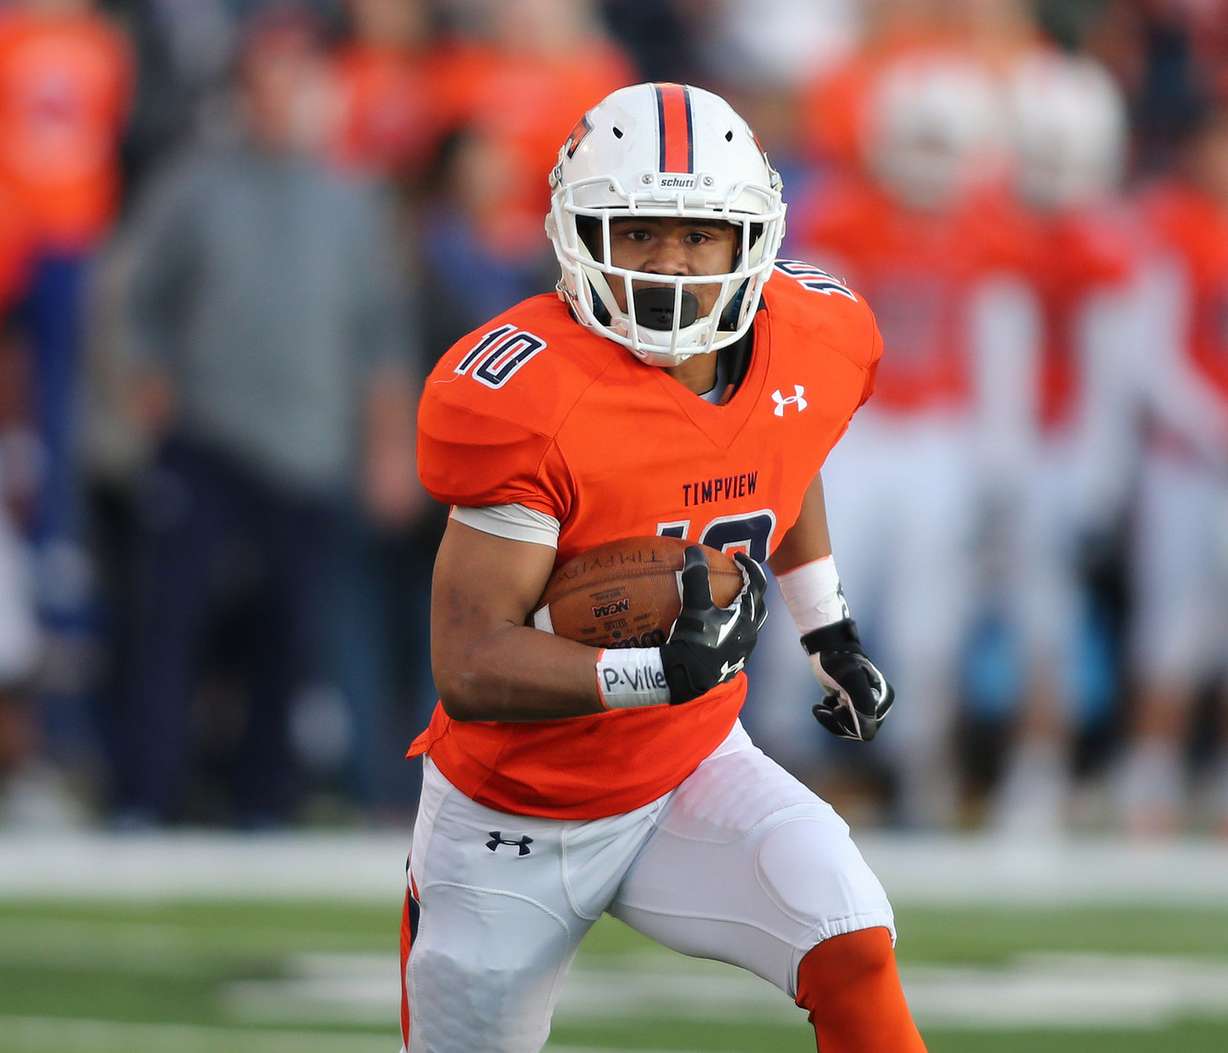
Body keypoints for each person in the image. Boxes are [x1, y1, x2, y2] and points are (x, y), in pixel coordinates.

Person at [402, 83, 925, 1052]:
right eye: (637, 233)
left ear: (751, 241)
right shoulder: (527, 396)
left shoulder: (813, 336)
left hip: (687, 765)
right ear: (577, 233)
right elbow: (468, 663)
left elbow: (784, 456)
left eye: (696, 235)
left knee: (848, 931)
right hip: (515, 817)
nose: (669, 265)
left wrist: (828, 628)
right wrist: (653, 671)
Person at [116, 9, 418, 825]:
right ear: (244, 95)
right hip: (207, 435)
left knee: (293, 632)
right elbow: (135, 298)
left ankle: (265, 798)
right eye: (268, 81)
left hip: (313, 445)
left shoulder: (353, 200)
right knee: (171, 619)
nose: (283, 99)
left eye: (297, 81)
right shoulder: (195, 183)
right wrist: (148, 394)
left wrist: (389, 447)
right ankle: (148, 790)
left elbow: (380, 336)